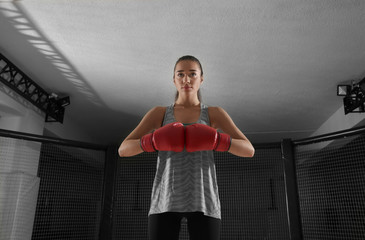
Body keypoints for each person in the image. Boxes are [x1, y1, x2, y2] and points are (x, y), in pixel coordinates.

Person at [118, 55, 255, 240]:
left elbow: (249, 149)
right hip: (164, 200)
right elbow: (123, 149)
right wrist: (151, 141)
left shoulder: (214, 113)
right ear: (174, 79)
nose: (186, 79)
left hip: (204, 199)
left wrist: (218, 141)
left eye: (192, 74)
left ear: (201, 78)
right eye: (180, 74)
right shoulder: (159, 113)